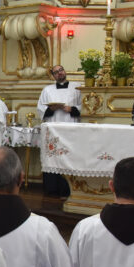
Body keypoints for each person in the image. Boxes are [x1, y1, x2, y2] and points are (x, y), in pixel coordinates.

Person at [37, 65, 82, 196]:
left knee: (69, 157)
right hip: (53, 129)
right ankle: (52, 189)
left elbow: (83, 105)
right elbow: (40, 109)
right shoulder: (47, 90)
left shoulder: (77, 87)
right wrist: (51, 109)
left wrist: (72, 109)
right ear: (53, 76)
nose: (59, 73)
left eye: (61, 70)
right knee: (53, 158)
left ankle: (69, 189)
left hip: (71, 128)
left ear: (64, 71)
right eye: (56, 72)